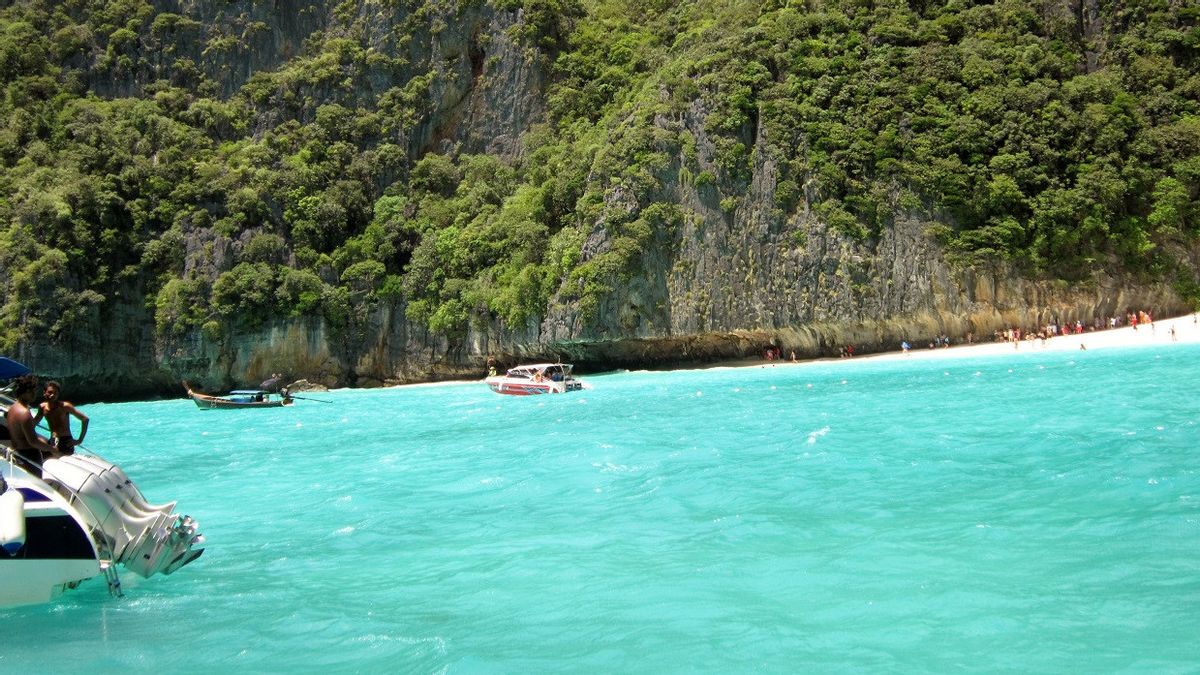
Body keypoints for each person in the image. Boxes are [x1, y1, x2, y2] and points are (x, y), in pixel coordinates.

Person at [4, 374, 57, 472]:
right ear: (23, 393)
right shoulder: (24, 413)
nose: (34, 393)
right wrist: (53, 450)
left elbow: (25, 428)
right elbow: (33, 441)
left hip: (19, 454)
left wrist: (39, 415)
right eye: (31, 391)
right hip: (29, 456)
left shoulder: (13, 408)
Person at [33, 380, 88, 456]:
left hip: (66, 441)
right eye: (50, 392)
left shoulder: (65, 406)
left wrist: (79, 440)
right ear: (44, 392)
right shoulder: (42, 407)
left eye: (55, 393)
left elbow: (85, 419)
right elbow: (34, 423)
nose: (52, 395)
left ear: (58, 395)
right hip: (53, 440)